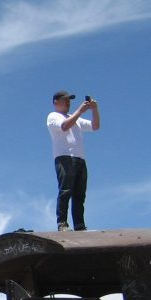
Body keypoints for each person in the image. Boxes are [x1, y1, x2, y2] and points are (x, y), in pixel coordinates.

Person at [47, 90, 100, 231]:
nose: (68, 103)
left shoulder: (74, 117)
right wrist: (80, 111)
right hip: (64, 158)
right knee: (65, 191)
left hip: (80, 159)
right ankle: (62, 223)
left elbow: (95, 126)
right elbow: (64, 126)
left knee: (79, 194)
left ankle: (79, 224)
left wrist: (94, 109)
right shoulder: (53, 116)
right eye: (65, 100)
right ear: (56, 102)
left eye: (69, 100)